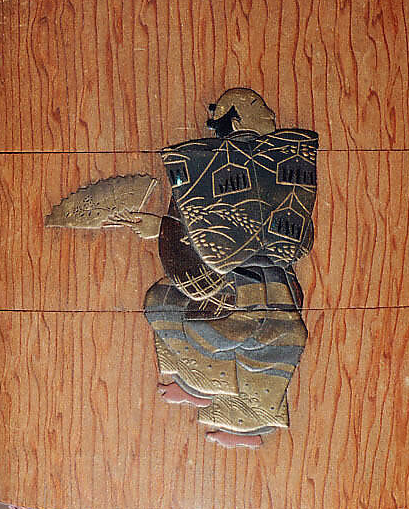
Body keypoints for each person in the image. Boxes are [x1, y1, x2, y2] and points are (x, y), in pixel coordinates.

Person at [126, 88, 316, 448]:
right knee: (258, 356)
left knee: (173, 309)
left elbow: (206, 225)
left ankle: (198, 388)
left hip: (249, 288)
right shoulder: (276, 161)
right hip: (265, 289)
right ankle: (204, 395)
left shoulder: (235, 164)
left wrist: (161, 228)